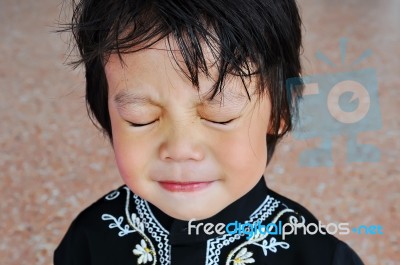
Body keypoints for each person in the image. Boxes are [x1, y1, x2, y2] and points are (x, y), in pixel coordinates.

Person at [54, 0, 364, 264]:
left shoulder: (315, 254)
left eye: (219, 116)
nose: (180, 148)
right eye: (141, 118)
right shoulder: (90, 237)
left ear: (281, 111)